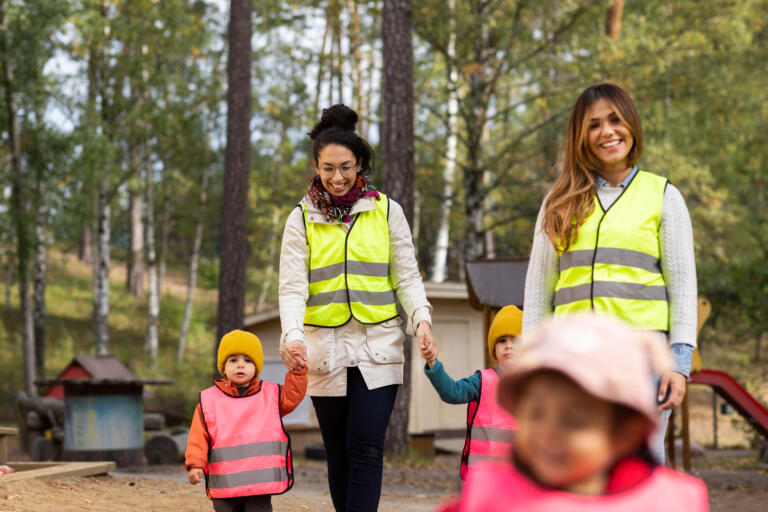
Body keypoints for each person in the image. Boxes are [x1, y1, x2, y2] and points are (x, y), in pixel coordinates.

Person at [522, 83, 697, 463]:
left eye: (615, 120)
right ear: (580, 136)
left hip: (643, 361)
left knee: (637, 468)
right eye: (594, 124)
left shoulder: (664, 195)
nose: (607, 132)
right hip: (571, 361)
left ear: (631, 125)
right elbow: (537, 295)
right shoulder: (558, 201)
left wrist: (678, 366)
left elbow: (684, 290)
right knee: (572, 466)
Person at [277, 104, 433, 512]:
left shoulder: (386, 211)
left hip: (377, 346)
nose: (337, 177)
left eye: (345, 167)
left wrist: (422, 321)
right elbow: (292, 288)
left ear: (359, 162)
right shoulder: (300, 219)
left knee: (365, 445)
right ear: (315, 165)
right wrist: (292, 335)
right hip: (323, 349)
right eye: (327, 168)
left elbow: (407, 277)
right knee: (339, 451)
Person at [437, 315, 709, 511]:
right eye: (535, 414)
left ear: (625, 433)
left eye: (573, 421)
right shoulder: (493, 495)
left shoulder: (665, 502)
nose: (547, 432)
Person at [185, 330, 308, 512]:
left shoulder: (271, 395)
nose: (240, 365)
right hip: (225, 484)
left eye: (248, 360)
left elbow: (293, 396)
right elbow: (198, 436)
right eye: (233, 360)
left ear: (256, 367)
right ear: (223, 367)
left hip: (259, 485)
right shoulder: (209, 401)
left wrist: (298, 371)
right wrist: (195, 465)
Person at [420, 304, 521, 479]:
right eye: (502, 340)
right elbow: (452, 392)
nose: (508, 346)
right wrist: (433, 364)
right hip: (482, 477)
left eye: (515, 340)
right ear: (494, 350)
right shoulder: (482, 381)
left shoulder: (535, 386)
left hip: (518, 477)